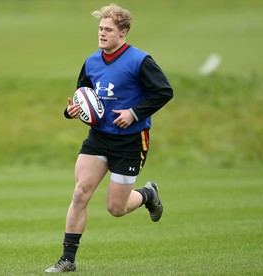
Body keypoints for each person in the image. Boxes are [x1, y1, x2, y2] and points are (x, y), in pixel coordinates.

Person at [45, 3, 173, 273]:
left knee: (116, 208)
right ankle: (68, 259)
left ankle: (148, 195)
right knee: (80, 192)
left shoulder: (140, 61)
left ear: (123, 33)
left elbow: (164, 92)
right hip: (99, 138)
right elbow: (83, 95)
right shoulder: (91, 61)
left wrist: (135, 113)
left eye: (108, 29)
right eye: (100, 28)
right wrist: (72, 112)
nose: (102, 33)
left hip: (130, 141)